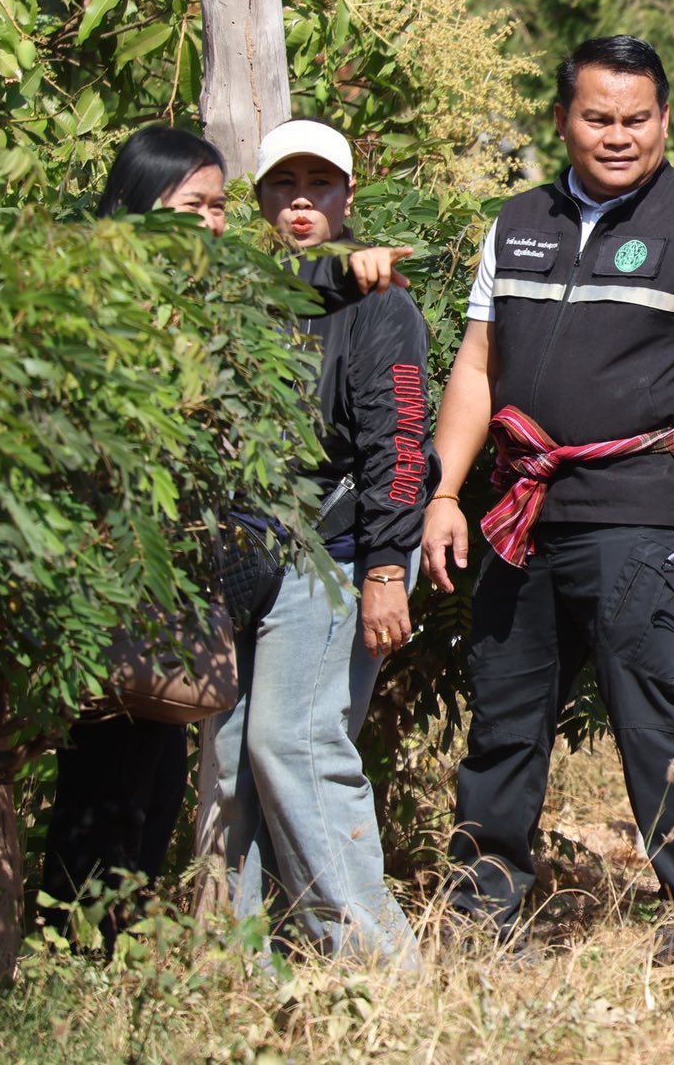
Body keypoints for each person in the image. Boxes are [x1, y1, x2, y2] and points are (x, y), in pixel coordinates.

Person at [424, 36, 674, 960]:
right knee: (504, 716)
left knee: (652, 713)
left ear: (664, 121)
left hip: (641, 513)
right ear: (565, 120)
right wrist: (445, 490)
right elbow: (476, 367)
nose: (619, 136)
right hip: (520, 510)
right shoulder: (516, 222)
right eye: (598, 117)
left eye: (637, 118)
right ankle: (480, 914)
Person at [210, 118, 434, 963]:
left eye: (320, 185)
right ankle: (239, 964)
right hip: (245, 554)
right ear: (258, 198)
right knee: (232, 759)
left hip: (338, 552)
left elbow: (397, 443)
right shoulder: (236, 295)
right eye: (282, 185)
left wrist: (385, 567)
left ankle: (377, 965)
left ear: (348, 196)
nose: (300, 201)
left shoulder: (381, 307)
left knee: (294, 740)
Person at [38, 127, 228, 927]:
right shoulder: (97, 301)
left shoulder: (202, 307)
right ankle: (73, 941)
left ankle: (114, 943)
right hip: (103, 577)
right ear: (142, 204)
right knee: (106, 780)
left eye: (220, 208)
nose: (215, 224)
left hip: (163, 579)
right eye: (196, 206)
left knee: (152, 777)